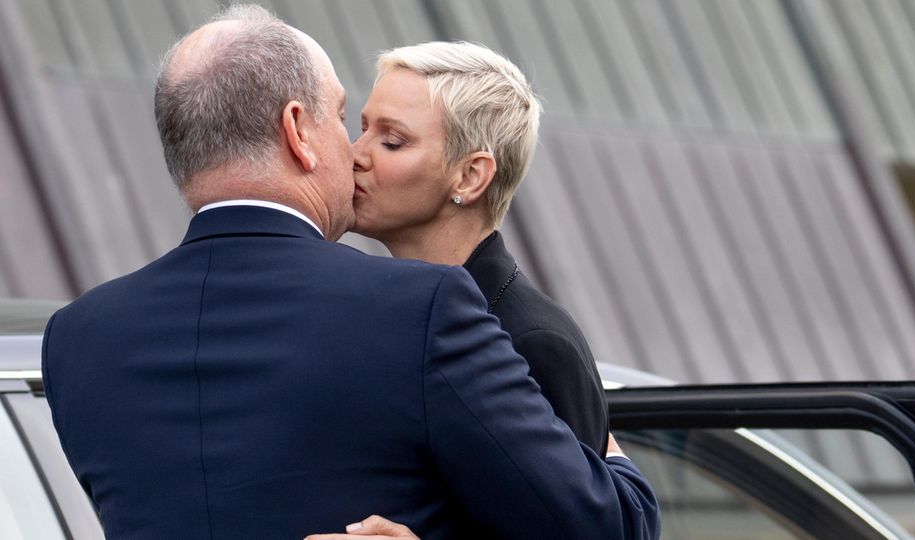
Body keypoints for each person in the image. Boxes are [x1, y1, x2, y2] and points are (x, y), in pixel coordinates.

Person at [42, 5, 659, 540]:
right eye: (345, 120)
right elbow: (608, 528)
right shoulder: (421, 314)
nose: (356, 152)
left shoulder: (76, 339)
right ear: (297, 133)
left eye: (389, 138)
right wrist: (610, 452)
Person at [351, 41, 608, 456]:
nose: (355, 154)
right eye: (363, 129)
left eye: (393, 141)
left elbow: (581, 517)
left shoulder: (533, 341)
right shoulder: (384, 313)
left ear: (471, 177)